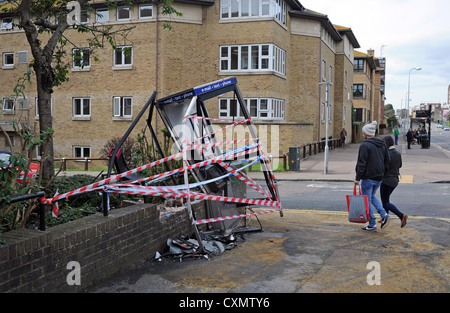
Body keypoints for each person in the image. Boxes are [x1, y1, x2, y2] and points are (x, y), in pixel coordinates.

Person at [354, 121, 391, 231]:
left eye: (363, 132)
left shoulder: (365, 145)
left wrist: (357, 178)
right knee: (371, 197)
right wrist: (381, 170)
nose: (362, 134)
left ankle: (372, 223)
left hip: (368, 177)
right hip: (379, 177)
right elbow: (387, 159)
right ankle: (384, 215)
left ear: (366, 133)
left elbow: (362, 163)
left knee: (367, 200)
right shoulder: (382, 144)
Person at [380, 136, 408, 228]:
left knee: (385, 202)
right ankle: (384, 217)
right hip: (395, 180)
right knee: (386, 200)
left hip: (386, 180)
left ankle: (401, 215)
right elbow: (400, 165)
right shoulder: (398, 153)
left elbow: (383, 167)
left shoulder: (386, 154)